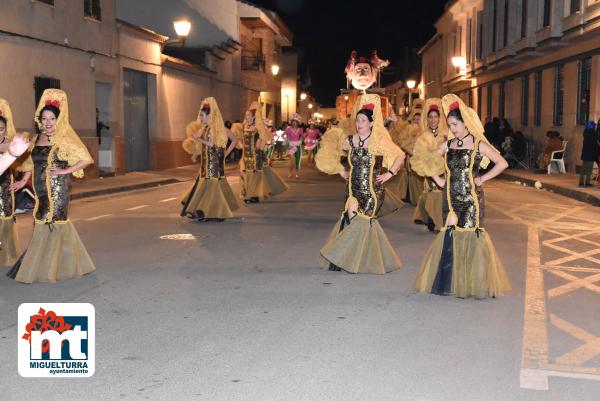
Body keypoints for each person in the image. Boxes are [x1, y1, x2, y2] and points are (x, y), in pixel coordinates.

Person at [413, 94, 511, 298]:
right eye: (449, 125)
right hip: (450, 197)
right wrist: (437, 179)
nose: (453, 129)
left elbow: (502, 163)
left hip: (471, 200)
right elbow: (425, 160)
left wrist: (482, 179)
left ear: (465, 123)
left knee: (469, 238)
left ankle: (473, 283)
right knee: (449, 235)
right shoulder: (448, 144)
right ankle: (449, 281)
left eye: (455, 124)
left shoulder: (477, 144)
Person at [8, 89, 95, 283]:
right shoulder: (36, 138)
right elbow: (31, 162)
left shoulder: (64, 138)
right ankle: (65, 263)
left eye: (52, 119)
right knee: (46, 221)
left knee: (49, 220)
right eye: (44, 118)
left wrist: (65, 171)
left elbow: (86, 159)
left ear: (58, 119)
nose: (48, 122)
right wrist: (23, 180)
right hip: (39, 190)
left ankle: (44, 267)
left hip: (57, 189)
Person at [316, 94, 405, 274]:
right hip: (352, 189)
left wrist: (389, 174)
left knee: (364, 222)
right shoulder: (350, 141)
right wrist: (341, 171)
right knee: (352, 220)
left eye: (363, 120)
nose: (359, 123)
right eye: (358, 120)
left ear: (371, 123)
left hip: (373, 190)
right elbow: (329, 150)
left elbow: (400, 155)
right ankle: (349, 258)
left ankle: (360, 259)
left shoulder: (379, 141)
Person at [180, 97, 239, 221]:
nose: (200, 118)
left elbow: (231, 141)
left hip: (214, 163)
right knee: (206, 185)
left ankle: (204, 211)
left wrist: (226, 153)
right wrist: (196, 153)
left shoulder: (217, 128)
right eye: (200, 116)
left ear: (209, 116)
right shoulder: (205, 128)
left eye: (202, 116)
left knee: (212, 186)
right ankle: (204, 210)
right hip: (206, 162)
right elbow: (203, 144)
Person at [411, 98, 448, 232]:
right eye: (430, 117)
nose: (433, 120)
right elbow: (419, 155)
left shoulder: (446, 135)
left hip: (444, 170)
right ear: (427, 119)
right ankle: (436, 223)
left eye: (435, 117)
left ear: (439, 118)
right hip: (429, 170)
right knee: (434, 195)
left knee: (442, 196)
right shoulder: (423, 137)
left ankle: (433, 220)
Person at [579, 121, 599, 187]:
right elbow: (596, 142)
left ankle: (581, 183)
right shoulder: (594, 133)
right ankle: (587, 183)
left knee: (584, 168)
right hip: (591, 153)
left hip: (585, 153)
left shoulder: (585, 132)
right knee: (589, 169)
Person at [284, 114, 304, 178]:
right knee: (292, 162)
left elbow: (302, 136)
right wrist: (287, 140)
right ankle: (290, 173)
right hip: (291, 146)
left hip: (298, 146)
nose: (294, 123)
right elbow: (283, 135)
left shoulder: (300, 129)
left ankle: (297, 173)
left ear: (298, 123)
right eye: (293, 122)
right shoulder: (288, 129)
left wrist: (300, 141)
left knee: (297, 160)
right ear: (291, 123)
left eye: (296, 122)